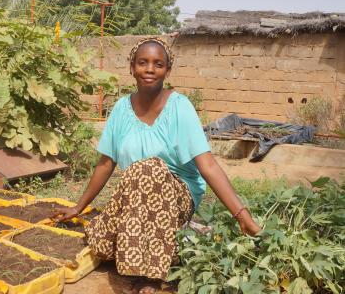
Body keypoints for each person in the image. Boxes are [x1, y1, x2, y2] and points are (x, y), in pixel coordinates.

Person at [55, 37, 261, 294]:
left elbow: (207, 164)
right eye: (143, 63)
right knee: (102, 245)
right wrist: (78, 206)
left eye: (158, 64)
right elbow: (106, 163)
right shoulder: (120, 109)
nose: (150, 69)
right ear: (132, 68)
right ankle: (171, 243)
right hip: (134, 194)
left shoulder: (180, 107)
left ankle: (148, 276)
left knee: (148, 168)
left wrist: (242, 216)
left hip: (177, 195)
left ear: (167, 70)